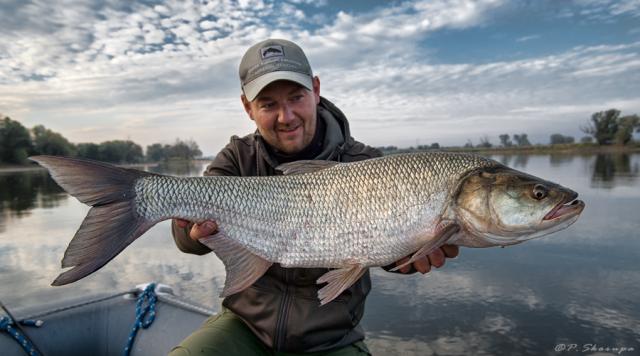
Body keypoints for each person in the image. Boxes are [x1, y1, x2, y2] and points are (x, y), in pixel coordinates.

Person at [169, 39, 459, 356]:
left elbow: (391, 249)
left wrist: (407, 256)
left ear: (316, 90)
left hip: (331, 339)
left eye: (296, 97)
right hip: (244, 327)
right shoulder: (237, 158)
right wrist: (194, 233)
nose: (286, 116)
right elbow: (184, 238)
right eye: (268, 104)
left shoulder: (366, 163)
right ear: (247, 107)